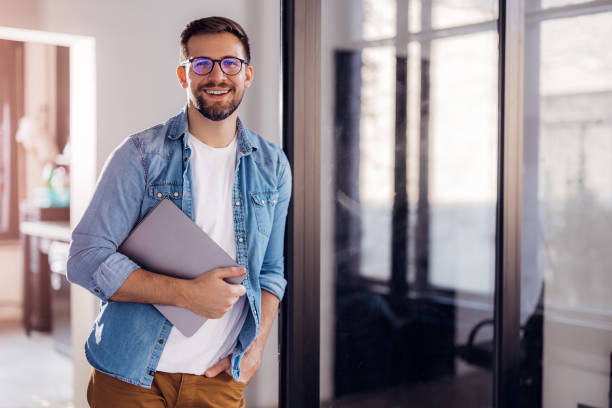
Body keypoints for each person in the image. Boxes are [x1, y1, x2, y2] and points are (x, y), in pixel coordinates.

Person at [67, 16, 291, 407]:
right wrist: (187, 295)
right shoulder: (139, 155)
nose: (217, 75)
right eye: (202, 64)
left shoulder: (272, 165)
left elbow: (271, 273)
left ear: (248, 74)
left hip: (217, 380)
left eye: (230, 63)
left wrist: (254, 350)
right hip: (130, 376)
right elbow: (85, 259)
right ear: (183, 75)